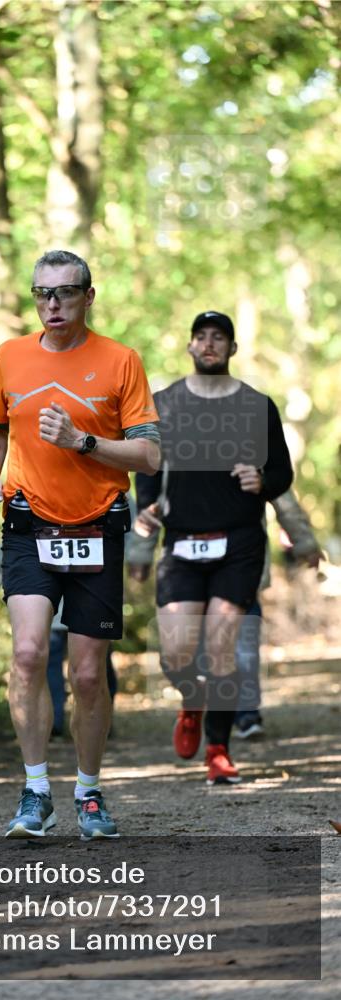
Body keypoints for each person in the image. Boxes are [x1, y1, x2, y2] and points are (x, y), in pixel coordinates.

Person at [0, 249, 160, 838]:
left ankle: (88, 792)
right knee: (29, 654)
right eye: (42, 293)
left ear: (88, 296)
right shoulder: (10, 356)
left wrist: (83, 441)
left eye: (65, 292)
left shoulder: (121, 361)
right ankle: (35, 792)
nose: (52, 303)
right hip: (28, 523)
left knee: (85, 674)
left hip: (98, 526)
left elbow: (149, 455)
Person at [133, 310, 292, 786]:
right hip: (182, 540)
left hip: (239, 541)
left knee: (221, 646)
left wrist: (263, 480)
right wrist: (147, 508)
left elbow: (282, 472)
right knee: (176, 652)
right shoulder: (165, 404)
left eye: (218, 337)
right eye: (200, 336)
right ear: (189, 346)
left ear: (232, 348)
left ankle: (218, 750)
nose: (208, 344)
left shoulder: (257, 405)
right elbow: (147, 464)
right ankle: (191, 699)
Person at [128, 488, 322, 738]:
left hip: (242, 563)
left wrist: (304, 542)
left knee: (243, 647)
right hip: (188, 570)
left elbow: (281, 494)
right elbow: (155, 498)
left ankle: (246, 714)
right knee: (195, 648)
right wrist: (141, 552)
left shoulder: (250, 462)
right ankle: (208, 705)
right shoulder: (181, 461)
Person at [0, 544, 118, 736]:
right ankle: (92, 723)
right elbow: (12, 545)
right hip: (72, 612)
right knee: (94, 666)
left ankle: (67, 723)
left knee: (87, 670)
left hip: (71, 611)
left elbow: (4, 552)